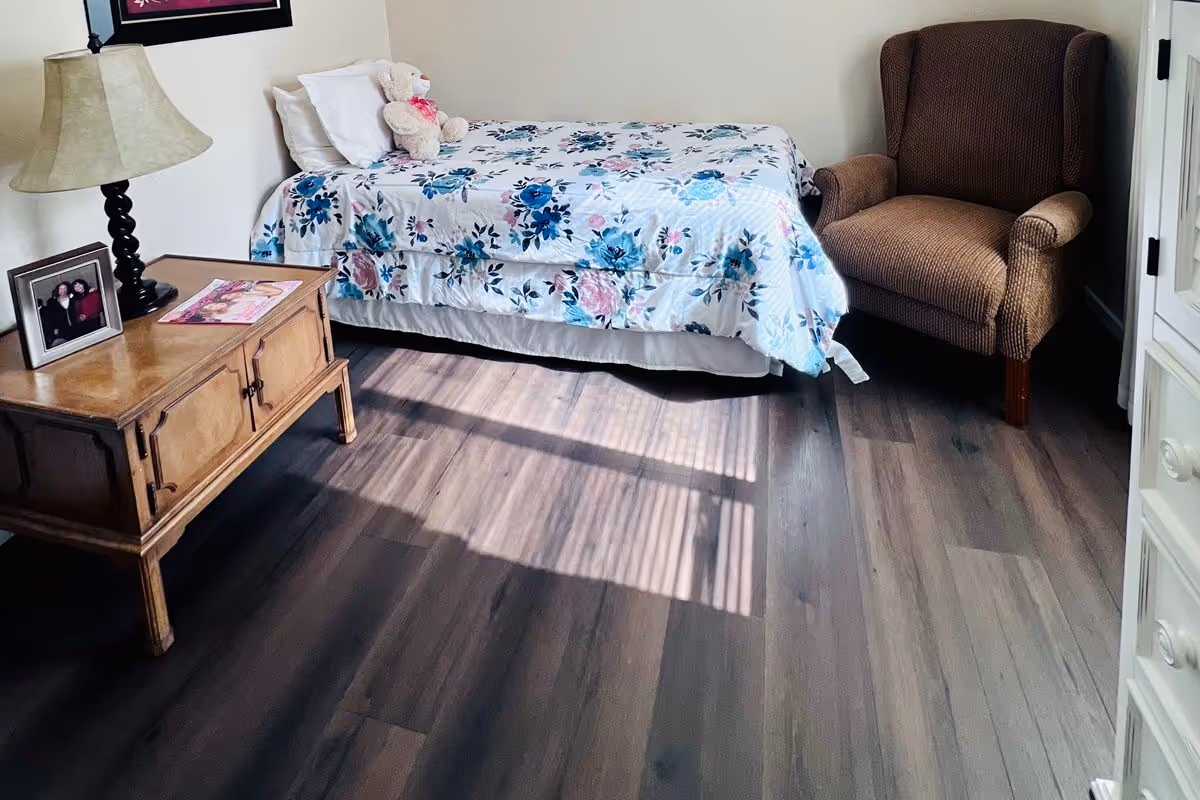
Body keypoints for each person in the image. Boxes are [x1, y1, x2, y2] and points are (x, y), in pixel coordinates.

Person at [41, 283, 73, 348]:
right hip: (61, 327)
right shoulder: (52, 302)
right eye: (61, 288)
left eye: (65, 288)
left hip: (75, 325)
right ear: (57, 290)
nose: (63, 290)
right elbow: (51, 317)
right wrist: (54, 328)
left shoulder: (72, 298)